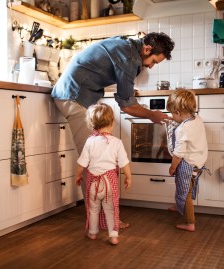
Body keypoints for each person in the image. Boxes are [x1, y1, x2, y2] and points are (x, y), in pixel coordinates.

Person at [52, 32, 175, 228]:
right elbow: (127, 106)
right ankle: (101, 218)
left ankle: (102, 215)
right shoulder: (129, 58)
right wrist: (153, 115)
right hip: (73, 97)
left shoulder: (128, 44)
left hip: (77, 96)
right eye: (153, 61)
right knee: (95, 161)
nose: (151, 66)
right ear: (147, 49)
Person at [75, 103, 132, 245]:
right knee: (110, 210)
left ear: (92, 125)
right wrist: (128, 177)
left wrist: (78, 175)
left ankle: (93, 233)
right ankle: (113, 236)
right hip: (109, 183)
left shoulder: (90, 141)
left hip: (93, 183)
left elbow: (82, 162)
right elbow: (124, 163)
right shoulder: (117, 142)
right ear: (112, 123)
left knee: (93, 209)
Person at [164, 89, 208, 232]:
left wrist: (172, 167)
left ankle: (190, 223)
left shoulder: (182, 129)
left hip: (187, 165)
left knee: (185, 193)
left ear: (177, 112)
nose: (172, 116)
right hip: (198, 163)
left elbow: (178, 153)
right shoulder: (197, 120)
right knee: (184, 189)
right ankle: (179, 206)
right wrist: (173, 120)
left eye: (172, 114)